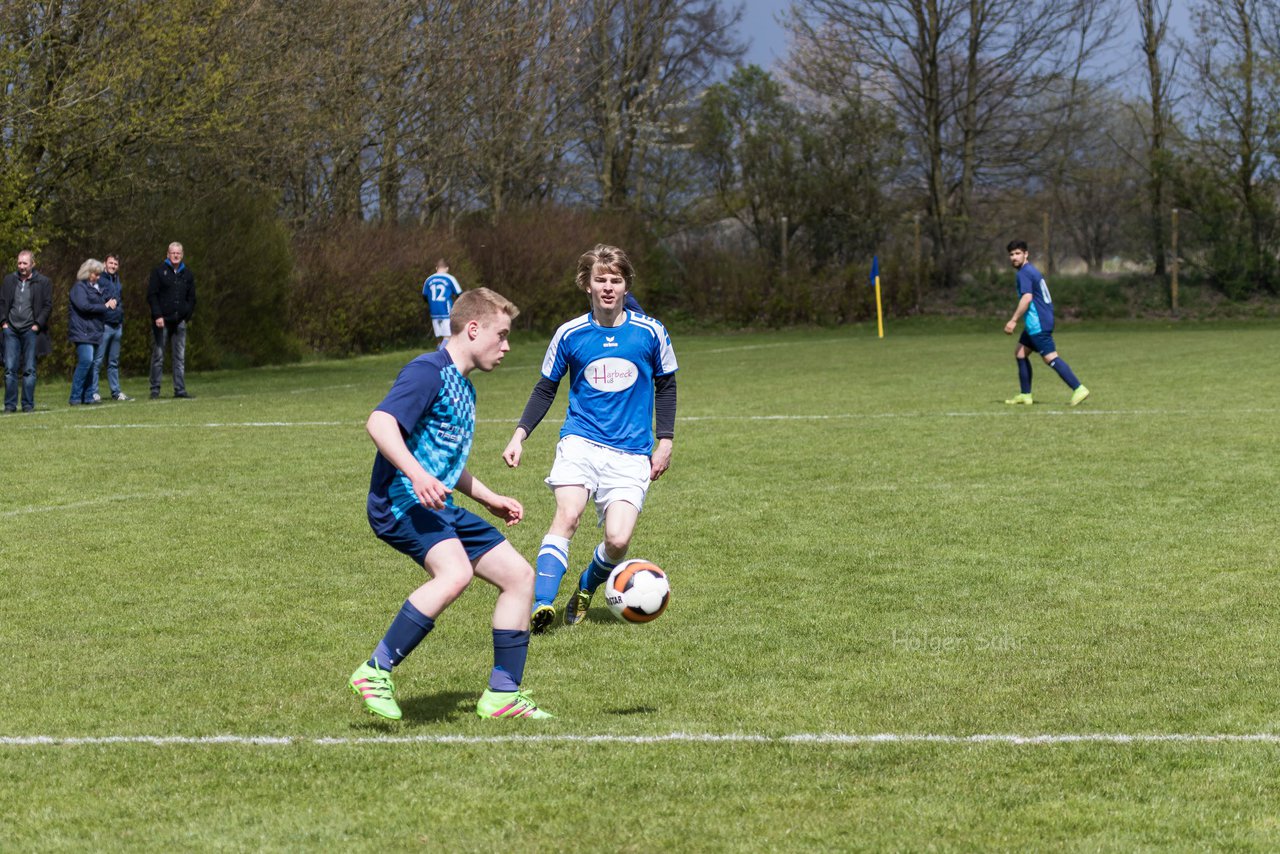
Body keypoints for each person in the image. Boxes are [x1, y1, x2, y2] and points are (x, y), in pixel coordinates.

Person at [349, 287, 554, 722]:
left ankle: (502, 695)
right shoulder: (428, 372)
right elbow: (379, 422)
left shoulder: (465, 389)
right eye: (501, 335)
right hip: (400, 499)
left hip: (434, 502)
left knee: (519, 576)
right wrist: (418, 475)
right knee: (456, 573)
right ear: (473, 329)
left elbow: (444, 464)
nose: (507, 345)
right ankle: (375, 671)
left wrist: (490, 497)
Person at [502, 244, 678, 634]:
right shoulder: (570, 334)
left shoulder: (650, 332)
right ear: (587, 284)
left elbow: (666, 385)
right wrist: (520, 436)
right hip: (580, 441)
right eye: (601, 279)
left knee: (617, 540)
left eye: (616, 280)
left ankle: (586, 585)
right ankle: (542, 604)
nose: (609, 287)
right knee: (568, 514)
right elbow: (545, 388)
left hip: (632, 450)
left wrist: (664, 441)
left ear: (626, 285)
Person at [1003, 240, 1090, 407]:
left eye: (1017, 253)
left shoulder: (1024, 273)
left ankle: (1078, 388)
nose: (1014, 257)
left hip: (1038, 323)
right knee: (1020, 353)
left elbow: (1027, 298)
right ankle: (1025, 394)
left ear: (1026, 254)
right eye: (1011, 254)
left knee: (1050, 358)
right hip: (1037, 321)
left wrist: (1013, 320)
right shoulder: (1029, 271)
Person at [1, 250, 54, 414]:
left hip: (31, 330)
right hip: (10, 330)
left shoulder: (43, 282)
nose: (22, 266)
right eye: (19, 263)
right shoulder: (9, 280)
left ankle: (27, 405)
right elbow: (1, 302)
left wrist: (37, 324)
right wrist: (3, 322)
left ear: (33, 264)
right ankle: (10, 405)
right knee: (10, 368)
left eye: (25, 263)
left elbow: (47, 305)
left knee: (29, 369)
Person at [147, 242, 196, 399]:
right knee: (158, 356)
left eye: (178, 253)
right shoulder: (159, 272)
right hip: (162, 322)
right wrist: (157, 315)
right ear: (167, 254)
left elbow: (192, 298)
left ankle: (180, 390)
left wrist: (186, 315)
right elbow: (152, 295)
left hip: (180, 322)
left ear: (182, 255)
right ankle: (155, 390)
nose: (175, 255)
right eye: (173, 253)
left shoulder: (187, 274)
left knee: (179, 358)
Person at [68, 259, 117, 406]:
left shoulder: (96, 287)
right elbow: (84, 306)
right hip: (82, 331)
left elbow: (108, 297)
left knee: (91, 364)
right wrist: (105, 305)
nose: (98, 277)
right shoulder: (78, 288)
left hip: (95, 330)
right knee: (86, 361)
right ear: (88, 273)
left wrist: (111, 302)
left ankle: (88, 396)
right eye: (96, 274)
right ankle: (75, 396)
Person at [90, 254, 132, 402]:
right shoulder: (99, 279)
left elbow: (118, 299)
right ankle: (93, 392)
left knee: (113, 362)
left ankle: (116, 392)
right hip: (104, 325)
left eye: (115, 264)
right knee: (98, 361)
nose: (113, 266)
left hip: (117, 325)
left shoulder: (117, 280)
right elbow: (96, 298)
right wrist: (108, 301)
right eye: (110, 263)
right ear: (104, 264)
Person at [421, 259, 463, 345]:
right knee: (447, 335)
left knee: (438, 336)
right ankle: (442, 352)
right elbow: (459, 294)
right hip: (446, 309)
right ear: (447, 268)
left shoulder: (429, 279)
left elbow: (424, 296)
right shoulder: (450, 278)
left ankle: (438, 350)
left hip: (434, 310)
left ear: (436, 268)